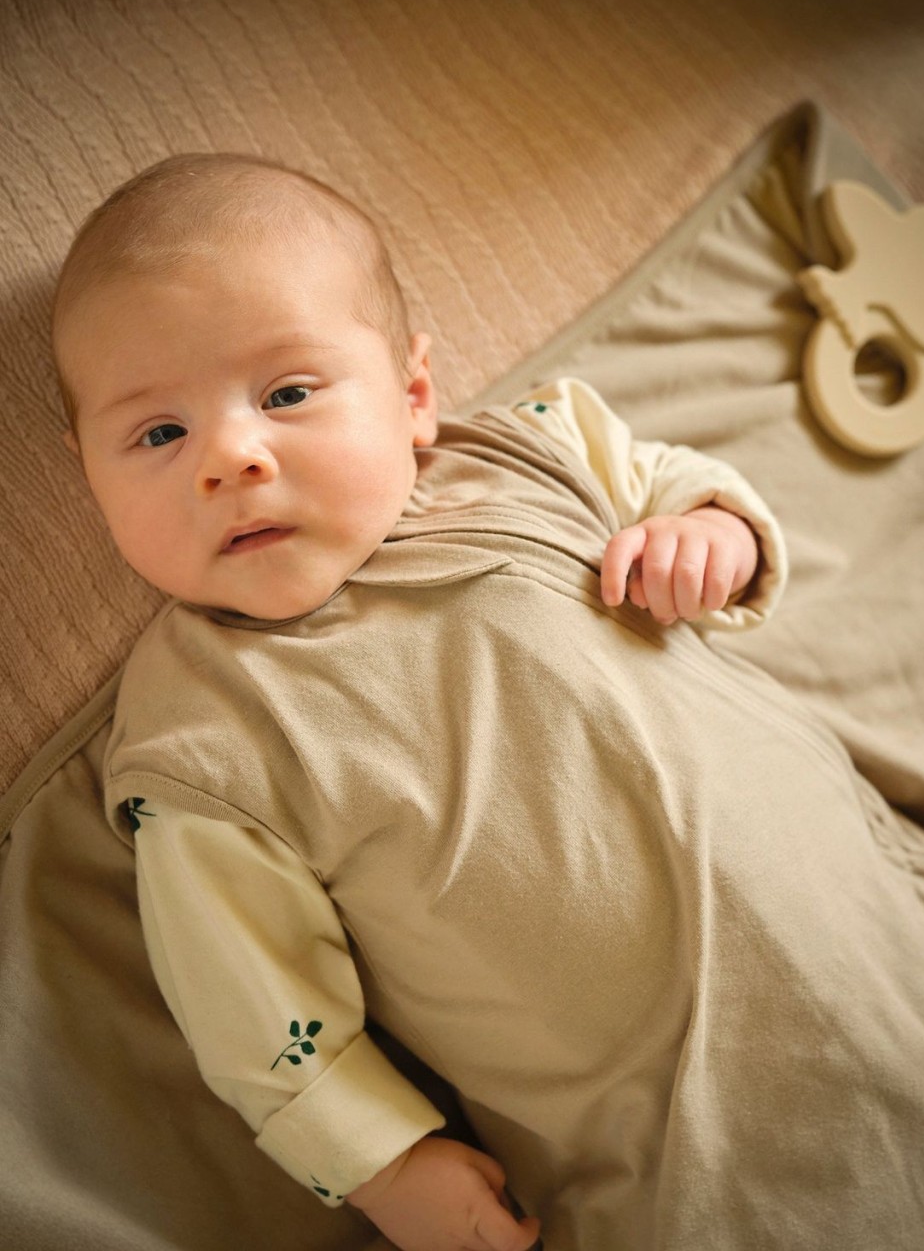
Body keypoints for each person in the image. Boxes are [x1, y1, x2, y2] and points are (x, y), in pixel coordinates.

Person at [52, 153, 788, 1251]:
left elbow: (670, 477)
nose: (232, 456)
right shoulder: (200, 739)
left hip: (893, 923)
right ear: (91, 477)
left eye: (287, 394)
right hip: (667, 1123)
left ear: (413, 395)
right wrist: (387, 1164)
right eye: (159, 434)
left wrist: (710, 533)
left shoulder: (534, 444)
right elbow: (256, 1006)